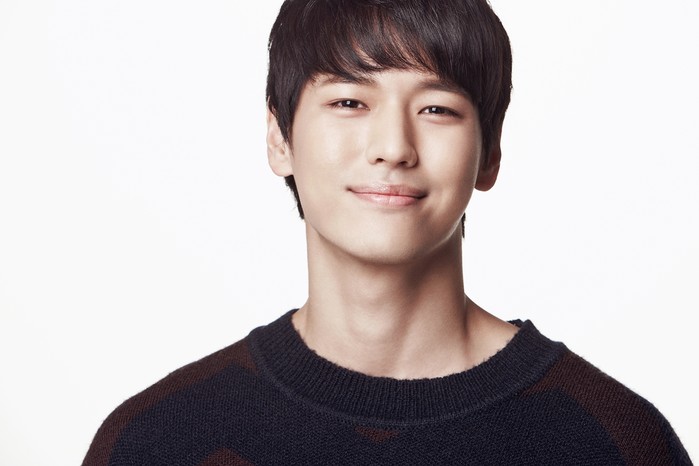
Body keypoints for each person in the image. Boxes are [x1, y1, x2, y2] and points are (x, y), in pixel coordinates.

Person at [82, 0, 691, 464]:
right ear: (279, 137)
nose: (393, 147)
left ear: (489, 154)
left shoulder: (613, 441)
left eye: (437, 109)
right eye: (349, 102)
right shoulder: (157, 440)